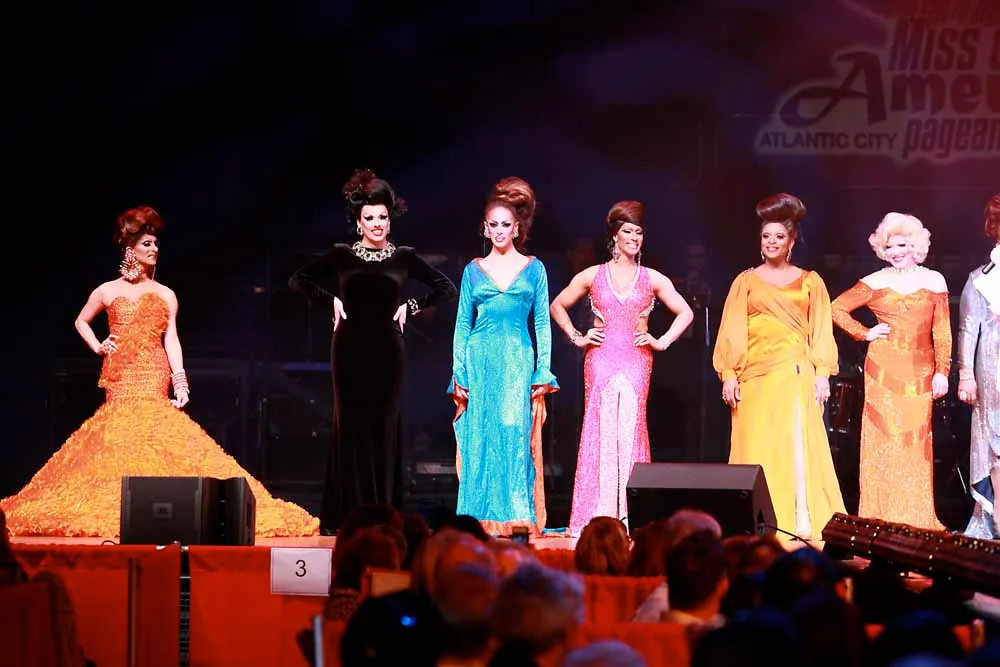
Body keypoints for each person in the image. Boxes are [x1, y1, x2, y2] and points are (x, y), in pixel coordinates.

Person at [0, 207, 318, 537]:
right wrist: (98, 345)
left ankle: (159, 505)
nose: (154, 249)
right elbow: (81, 321)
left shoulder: (165, 294)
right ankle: (122, 501)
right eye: (147, 243)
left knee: (155, 431)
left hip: (153, 370)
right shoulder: (107, 290)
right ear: (130, 249)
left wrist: (180, 381)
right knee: (119, 432)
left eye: (155, 244)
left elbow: (171, 339)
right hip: (121, 372)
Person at [289, 169, 456, 533]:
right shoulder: (343, 255)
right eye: (370, 218)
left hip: (388, 351)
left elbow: (446, 287)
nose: (377, 224)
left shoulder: (404, 257)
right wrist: (331, 300)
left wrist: (411, 306)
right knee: (349, 426)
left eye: (382, 217)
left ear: (389, 220)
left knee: (383, 428)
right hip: (349, 349)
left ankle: (382, 514)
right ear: (358, 222)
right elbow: (298, 279)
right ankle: (346, 516)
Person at [549, 201, 693, 535]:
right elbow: (557, 305)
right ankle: (596, 514)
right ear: (614, 235)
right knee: (599, 431)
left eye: (639, 232)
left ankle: (631, 515)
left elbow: (686, 312)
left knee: (631, 429)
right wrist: (577, 336)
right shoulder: (593, 275)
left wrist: (662, 341)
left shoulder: (652, 278)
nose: (634, 238)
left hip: (637, 360)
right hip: (600, 359)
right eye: (628, 231)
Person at [713, 193, 845, 541]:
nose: (771, 242)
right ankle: (755, 521)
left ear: (792, 241)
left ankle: (798, 519)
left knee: (795, 445)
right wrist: (728, 374)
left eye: (779, 237)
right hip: (754, 378)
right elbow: (732, 330)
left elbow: (821, 329)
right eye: (766, 236)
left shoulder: (810, 281)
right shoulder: (745, 281)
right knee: (755, 444)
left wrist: (822, 374)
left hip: (795, 374)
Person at [450, 177, 559, 536]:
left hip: (517, 360)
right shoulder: (472, 271)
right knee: (480, 436)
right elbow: (462, 324)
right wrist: (459, 372)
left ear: (516, 228)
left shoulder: (534, 269)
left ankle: (516, 517)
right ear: (485, 228)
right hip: (480, 359)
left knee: (514, 432)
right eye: (493, 225)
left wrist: (543, 369)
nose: (499, 231)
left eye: (505, 225)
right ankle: (477, 518)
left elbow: (542, 322)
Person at [831, 212, 951, 530]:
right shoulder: (874, 282)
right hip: (882, 370)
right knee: (883, 441)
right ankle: (879, 516)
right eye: (888, 246)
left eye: (901, 245)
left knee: (915, 443)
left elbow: (942, 331)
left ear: (915, 245)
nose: (895, 251)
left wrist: (943, 371)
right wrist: (865, 332)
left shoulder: (934, 280)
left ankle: (915, 516)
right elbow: (835, 308)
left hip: (920, 371)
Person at [959, 194, 1000, 539]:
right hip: (992, 368)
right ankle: (995, 518)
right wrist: (965, 374)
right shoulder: (980, 279)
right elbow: (968, 328)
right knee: (994, 444)